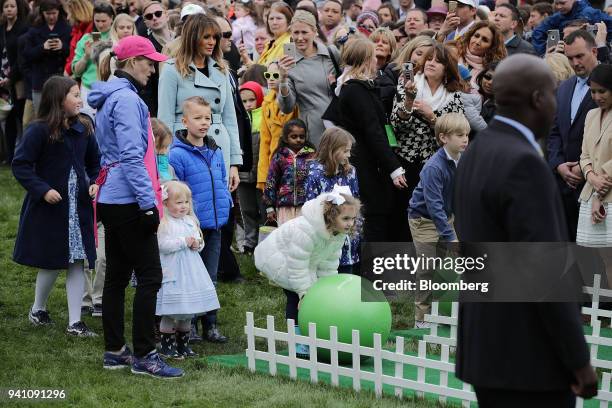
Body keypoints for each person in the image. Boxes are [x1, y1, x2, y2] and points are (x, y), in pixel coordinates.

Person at [454, 53, 597, 407]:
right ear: (538, 98)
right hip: (527, 356)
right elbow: (545, 270)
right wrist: (578, 359)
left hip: (485, 347)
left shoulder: (478, 150)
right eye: (553, 94)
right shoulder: (523, 163)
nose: (555, 104)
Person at [87, 35, 183, 378]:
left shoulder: (112, 94)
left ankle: (115, 351)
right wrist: (148, 203)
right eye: (148, 62)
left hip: (112, 197)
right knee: (149, 276)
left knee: (115, 277)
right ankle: (146, 355)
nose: (153, 70)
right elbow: (131, 156)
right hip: (129, 199)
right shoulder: (126, 100)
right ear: (130, 62)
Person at [12, 76, 99, 338]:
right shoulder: (38, 130)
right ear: (58, 100)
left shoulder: (83, 128)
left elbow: (94, 163)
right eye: (74, 95)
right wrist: (43, 190)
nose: (80, 99)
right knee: (51, 261)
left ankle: (75, 323)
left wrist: (94, 182)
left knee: (76, 262)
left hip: (78, 209)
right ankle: (38, 309)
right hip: (51, 209)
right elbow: (21, 164)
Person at [254, 185, 360, 355]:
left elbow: (330, 262)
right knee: (295, 298)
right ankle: (297, 341)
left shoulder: (338, 233)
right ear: (331, 216)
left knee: (315, 298)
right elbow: (297, 265)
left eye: (353, 219)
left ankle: (312, 337)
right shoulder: (306, 231)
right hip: (279, 259)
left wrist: (326, 289)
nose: (350, 223)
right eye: (346, 218)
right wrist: (304, 293)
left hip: (305, 262)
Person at [168, 96, 233, 343]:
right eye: (198, 118)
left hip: (215, 225)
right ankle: (190, 324)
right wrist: (188, 219)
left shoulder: (215, 149)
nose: (204, 123)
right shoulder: (178, 154)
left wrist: (226, 202)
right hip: (191, 226)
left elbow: (221, 178)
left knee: (210, 276)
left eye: (207, 118)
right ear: (185, 121)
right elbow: (177, 190)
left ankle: (211, 324)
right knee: (192, 276)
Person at [158, 13, 242, 190]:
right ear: (192, 38)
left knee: (219, 206)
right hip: (184, 148)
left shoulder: (222, 70)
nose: (212, 42)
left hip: (219, 147)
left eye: (215, 37)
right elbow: (163, 121)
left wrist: (234, 163)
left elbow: (230, 119)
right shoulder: (172, 70)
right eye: (206, 37)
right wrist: (163, 168)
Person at [335, 37, 407, 242]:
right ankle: (373, 271)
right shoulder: (356, 90)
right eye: (373, 56)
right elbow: (373, 131)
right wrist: (394, 167)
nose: (377, 60)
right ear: (366, 59)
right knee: (375, 217)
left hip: (367, 162)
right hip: (368, 164)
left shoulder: (355, 87)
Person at [389, 43, 464, 239]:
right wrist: (408, 101)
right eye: (429, 59)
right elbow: (396, 125)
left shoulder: (453, 95)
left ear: (447, 68)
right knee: (402, 217)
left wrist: (432, 117)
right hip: (406, 160)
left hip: (435, 164)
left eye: (438, 61)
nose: (431, 63)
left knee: (434, 213)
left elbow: (457, 131)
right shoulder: (408, 84)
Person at [408, 112, 469, 328]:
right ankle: (421, 317)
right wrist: (450, 236)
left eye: (467, 135)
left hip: (446, 216)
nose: (465, 139)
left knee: (449, 265)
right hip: (423, 220)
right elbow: (434, 207)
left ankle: (442, 309)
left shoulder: (463, 159)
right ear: (444, 138)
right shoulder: (434, 168)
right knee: (427, 267)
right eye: (460, 135)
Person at [156, 180, 221, 359]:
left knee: (187, 312)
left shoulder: (190, 221)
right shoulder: (165, 223)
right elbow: (162, 245)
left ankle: (183, 345)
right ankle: (167, 346)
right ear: (166, 203)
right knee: (171, 312)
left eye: (186, 202)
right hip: (174, 271)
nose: (183, 206)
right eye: (178, 203)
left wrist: (197, 244)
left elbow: (199, 241)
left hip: (192, 272)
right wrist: (183, 242)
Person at [547, 30, 598, 241]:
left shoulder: (608, 85)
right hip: (563, 184)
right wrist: (558, 165)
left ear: (594, 51)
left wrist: (582, 166)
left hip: (596, 184)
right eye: (569, 58)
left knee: (596, 259)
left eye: (580, 56)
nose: (575, 62)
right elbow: (555, 131)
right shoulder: (565, 87)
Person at [277, 10, 340, 147]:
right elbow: (287, 107)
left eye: (304, 32)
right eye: (296, 33)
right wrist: (282, 80)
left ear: (315, 32)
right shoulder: (288, 63)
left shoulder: (332, 53)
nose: (299, 38)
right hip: (313, 132)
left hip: (340, 126)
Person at [305, 127, 360, 275]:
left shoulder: (350, 172)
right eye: (345, 151)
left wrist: (356, 231)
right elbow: (311, 209)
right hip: (325, 239)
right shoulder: (315, 174)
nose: (348, 155)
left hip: (347, 237)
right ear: (332, 149)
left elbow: (356, 201)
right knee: (325, 278)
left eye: (349, 150)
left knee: (346, 277)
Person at [577, 64, 612, 272]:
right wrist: (591, 177)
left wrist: (601, 185)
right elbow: (584, 155)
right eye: (593, 91)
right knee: (603, 259)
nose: (597, 96)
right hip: (592, 192)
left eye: (602, 91)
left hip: (606, 193)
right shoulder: (590, 115)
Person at [263, 119, 316, 225]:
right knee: (286, 236)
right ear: (286, 138)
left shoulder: (312, 156)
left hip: (306, 206)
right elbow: (271, 181)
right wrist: (269, 207)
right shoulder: (279, 156)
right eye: (294, 136)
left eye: (302, 136)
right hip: (284, 206)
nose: (298, 140)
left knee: (303, 236)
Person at [23, 0, 71, 116]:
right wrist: (42, 48)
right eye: (48, 13)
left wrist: (62, 47)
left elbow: (73, 53)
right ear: (42, 13)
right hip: (40, 80)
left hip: (59, 78)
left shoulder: (67, 28)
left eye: (54, 13)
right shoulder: (34, 29)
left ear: (59, 12)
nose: (51, 16)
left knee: (60, 114)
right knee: (41, 115)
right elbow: (27, 55)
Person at [257, 60, 299, 190]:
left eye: (275, 75)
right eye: (267, 75)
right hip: (274, 163)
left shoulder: (294, 101)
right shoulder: (266, 103)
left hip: (294, 161)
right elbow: (265, 141)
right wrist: (263, 177)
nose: (270, 79)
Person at [72, 1, 115, 117]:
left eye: (104, 21)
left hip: (111, 88)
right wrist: (86, 56)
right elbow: (76, 71)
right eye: (97, 21)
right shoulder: (86, 38)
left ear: (112, 18)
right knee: (89, 125)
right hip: (88, 90)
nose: (100, 25)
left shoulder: (117, 37)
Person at [0, 0, 28, 164]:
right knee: (8, 119)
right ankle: (10, 156)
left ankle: (22, 155)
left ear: (18, 9)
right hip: (3, 80)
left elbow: (21, 58)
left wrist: (11, 78)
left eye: (12, 6)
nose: (9, 9)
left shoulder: (23, 28)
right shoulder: (2, 29)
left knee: (20, 117)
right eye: (6, 6)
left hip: (18, 81)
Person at [238, 81, 265, 254]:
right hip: (242, 173)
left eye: (252, 100)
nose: (248, 104)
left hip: (260, 173)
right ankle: (250, 242)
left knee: (262, 209)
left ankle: (263, 244)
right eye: (244, 101)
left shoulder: (263, 117)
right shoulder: (239, 118)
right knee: (247, 209)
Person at [531, 0, 612, 56]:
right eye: (556, 3)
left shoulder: (590, 13)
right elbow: (538, 32)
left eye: (562, 3)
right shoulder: (557, 17)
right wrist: (544, 54)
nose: (559, 7)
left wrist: (602, 43)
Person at [141, 1, 173, 117]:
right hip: (160, 106)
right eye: (149, 16)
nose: (154, 18)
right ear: (146, 22)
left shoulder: (181, 41)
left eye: (158, 14)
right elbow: (147, 88)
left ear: (167, 15)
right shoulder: (145, 47)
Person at [456, 20, 506, 91]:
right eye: (476, 36)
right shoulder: (453, 54)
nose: (477, 42)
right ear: (470, 36)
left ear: (492, 47)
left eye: (485, 40)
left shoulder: (489, 71)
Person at [256, 1, 293, 66]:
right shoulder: (269, 44)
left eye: (279, 18)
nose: (274, 22)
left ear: (288, 21)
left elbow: (289, 72)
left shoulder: (289, 44)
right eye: (271, 18)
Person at [64, 0, 94, 77]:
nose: (67, 18)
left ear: (77, 13)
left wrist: (68, 72)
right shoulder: (77, 30)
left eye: (69, 14)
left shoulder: (90, 30)